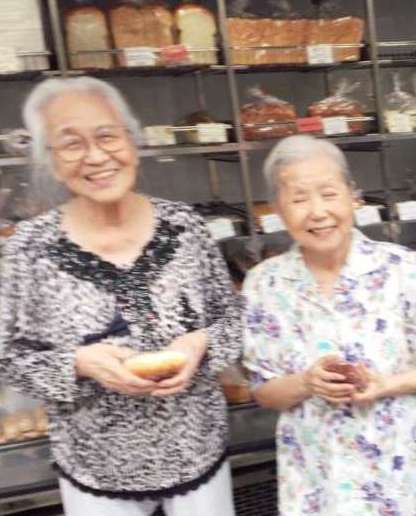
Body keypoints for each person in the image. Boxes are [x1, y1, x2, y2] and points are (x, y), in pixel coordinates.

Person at [0, 77, 242, 515]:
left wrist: (200, 343)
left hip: (198, 449)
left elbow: (233, 320)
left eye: (107, 136)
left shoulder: (185, 227)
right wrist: (78, 362)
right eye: (71, 144)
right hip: (96, 467)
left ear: (132, 140)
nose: (96, 156)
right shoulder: (29, 248)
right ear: (50, 161)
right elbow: (8, 356)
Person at [241, 134, 416, 516]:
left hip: (403, 477)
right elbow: (264, 392)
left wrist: (385, 385)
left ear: (353, 197)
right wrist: (307, 383)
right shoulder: (263, 284)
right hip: (319, 483)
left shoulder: (400, 267)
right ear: (278, 210)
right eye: (299, 199)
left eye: (328, 193)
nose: (317, 212)